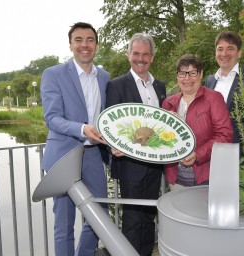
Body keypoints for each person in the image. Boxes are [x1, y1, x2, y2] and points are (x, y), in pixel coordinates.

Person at [41, 22, 110, 256]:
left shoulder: (105, 77)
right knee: (64, 222)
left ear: (97, 45)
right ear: (71, 45)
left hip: (92, 155)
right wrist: (82, 128)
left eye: (90, 40)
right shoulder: (53, 74)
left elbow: (108, 119)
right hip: (64, 157)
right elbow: (52, 118)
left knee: (99, 214)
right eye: (79, 40)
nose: (85, 45)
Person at [105, 33, 166, 256]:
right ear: (128, 55)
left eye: (146, 54)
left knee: (149, 217)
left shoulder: (160, 85)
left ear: (152, 56)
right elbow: (111, 124)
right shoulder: (116, 85)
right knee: (132, 220)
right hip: (130, 165)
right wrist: (114, 146)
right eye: (136, 53)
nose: (141, 58)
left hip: (154, 165)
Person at [162, 54, 233, 190]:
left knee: (203, 211)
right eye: (182, 74)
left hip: (206, 176)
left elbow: (225, 135)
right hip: (176, 177)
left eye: (192, 73)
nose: (187, 78)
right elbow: (161, 140)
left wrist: (198, 154)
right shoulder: (168, 103)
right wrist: (164, 127)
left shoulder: (214, 98)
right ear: (177, 76)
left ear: (201, 74)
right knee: (178, 210)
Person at [205, 31, 244, 156]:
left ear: (239, 53)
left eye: (230, 49)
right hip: (210, 152)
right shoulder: (210, 81)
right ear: (215, 53)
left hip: (240, 154)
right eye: (220, 49)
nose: (224, 54)